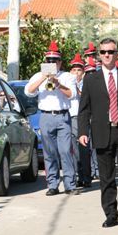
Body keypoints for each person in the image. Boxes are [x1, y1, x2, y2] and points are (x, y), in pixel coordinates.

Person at [78, 38, 118, 228]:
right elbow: (84, 109)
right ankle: (111, 214)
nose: (107, 55)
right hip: (101, 133)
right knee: (106, 177)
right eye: (104, 52)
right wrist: (83, 131)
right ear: (99, 55)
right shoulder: (90, 80)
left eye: (111, 52)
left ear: (117, 53)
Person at [24, 41, 78, 196]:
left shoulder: (67, 76)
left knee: (66, 151)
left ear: (60, 62)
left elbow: (72, 95)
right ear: (45, 62)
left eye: (55, 61)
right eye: (49, 61)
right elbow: (29, 92)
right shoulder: (38, 76)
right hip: (46, 116)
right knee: (49, 152)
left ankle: (70, 184)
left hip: (62, 116)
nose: (52, 63)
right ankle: (53, 184)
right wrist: (43, 77)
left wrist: (58, 84)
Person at [69, 53, 92, 188]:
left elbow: (85, 97)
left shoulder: (86, 82)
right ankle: (78, 176)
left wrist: (76, 88)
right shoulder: (67, 80)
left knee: (83, 149)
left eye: (79, 70)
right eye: (74, 70)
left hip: (80, 118)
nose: (76, 73)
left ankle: (86, 177)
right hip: (68, 117)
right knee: (72, 151)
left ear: (83, 72)